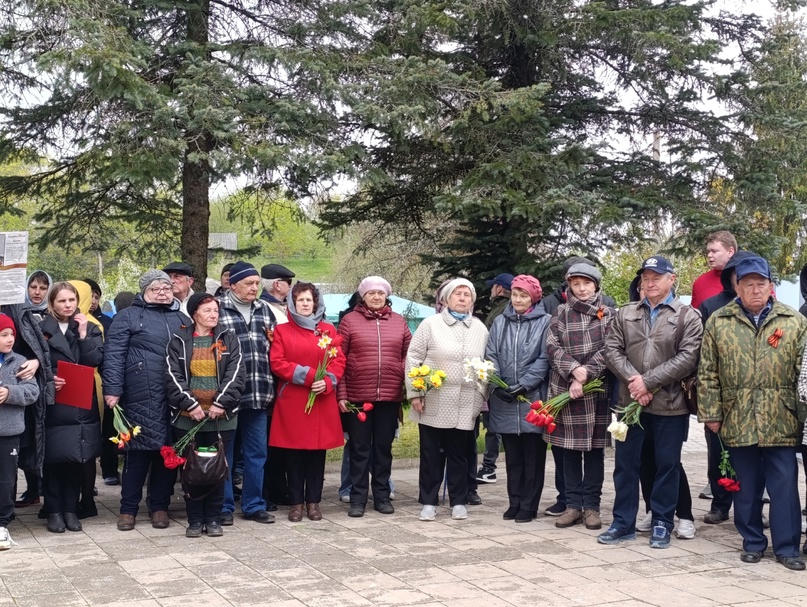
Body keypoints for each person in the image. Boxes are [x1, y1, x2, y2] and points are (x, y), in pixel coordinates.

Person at [702, 256, 807, 570]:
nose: (756, 290)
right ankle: (752, 542)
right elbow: (707, 373)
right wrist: (711, 413)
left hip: (782, 417)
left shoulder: (793, 321)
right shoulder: (719, 321)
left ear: (770, 286)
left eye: (761, 283)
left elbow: (803, 372)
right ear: (737, 286)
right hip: (739, 416)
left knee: (784, 485)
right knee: (746, 486)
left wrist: (802, 415)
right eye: (749, 284)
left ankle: (787, 547)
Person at [599, 255, 701, 548]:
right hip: (630, 405)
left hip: (670, 406)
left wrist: (649, 381)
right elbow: (611, 350)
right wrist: (636, 382)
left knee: (666, 466)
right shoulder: (625, 312)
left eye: (657, 277)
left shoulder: (687, 316)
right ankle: (622, 523)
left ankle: (662, 522)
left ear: (672, 279)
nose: (650, 282)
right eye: (646, 277)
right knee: (626, 465)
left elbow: (688, 358)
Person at [103, 269, 190, 531]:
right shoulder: (127, 316)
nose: (162, 292)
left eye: (166, 287)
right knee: (137, 454)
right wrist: (113, 389)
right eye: (155, 288)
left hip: (173, 397)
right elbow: (114, 355)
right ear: (144, 291)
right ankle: (128, 509)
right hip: (138, 394)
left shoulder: (182, 318)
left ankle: (159, 507)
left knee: (167, 453)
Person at [540, 256, 617, 517]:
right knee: (568, 451)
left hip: (595, 391)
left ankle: (592, 506)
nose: (582, 288)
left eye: (587, 283)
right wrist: (573, 370)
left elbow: (611, 349)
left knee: (595, 452)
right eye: (576, 283)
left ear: (596, 286)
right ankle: (572, 505)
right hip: (565, 389)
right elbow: (552, 346)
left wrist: (585, 375)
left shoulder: (609, 314)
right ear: (569, 287)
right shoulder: (560, 312)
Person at [407, 278, 488, 522]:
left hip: (466, 401)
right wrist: (415, 392)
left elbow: (487, 364)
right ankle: (429, 501)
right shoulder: (430, 324)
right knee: (431, 454)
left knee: (460, 454)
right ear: (446, 299)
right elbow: (413, 357)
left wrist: (481, 394)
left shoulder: (480, 328)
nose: (462, 298)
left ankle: (459, 500)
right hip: (434, 398)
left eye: (467, 294)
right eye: (457, 294)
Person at [166, 292, 245, 538]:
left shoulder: (228, 339)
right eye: (207, 310)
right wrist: (191, 405)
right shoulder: (178, 340)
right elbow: (172, 377)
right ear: (194, 314)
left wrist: (220, 403)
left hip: (220, 418)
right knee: (192, 472)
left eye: (215, 310)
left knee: (216, 470)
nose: (213, 315)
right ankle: (194, 519)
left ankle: (213, 518)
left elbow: (236, 374)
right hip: (188, 419)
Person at [269, 282, 346, 522]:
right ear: (292, 303)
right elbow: (278, 362)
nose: (305, 304)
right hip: (294, 399)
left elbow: (338, 360)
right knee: (294, 455)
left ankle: (314, 501)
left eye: (308, 300)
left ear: (316, 303)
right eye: (300, 300)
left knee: (316, 454)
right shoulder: (282, 331)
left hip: (320, 399)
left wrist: (328, 381)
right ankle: (295, 503)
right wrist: (311, 376)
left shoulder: (327, 331)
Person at [337, 276, 411, 517]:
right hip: (358, 399)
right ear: (363, 297)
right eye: (371, 293)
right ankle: (357, 498)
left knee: (383, 448)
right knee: (359, 449)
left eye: (380, 293)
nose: (376, 297)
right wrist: (343, 395)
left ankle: (381, 495)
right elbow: (340, 360)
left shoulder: (399, 322)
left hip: (389, 397)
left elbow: (409, 355)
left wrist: (400, 372)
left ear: (386, 296)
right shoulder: (349, 321)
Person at [697, 250, 757, 525]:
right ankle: (720, 503)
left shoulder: (761, 304)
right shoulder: (712, 306)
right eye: (737, 274)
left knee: (755, 457)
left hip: (755, 397)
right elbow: (704, 358)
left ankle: (753, 507)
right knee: (717, 453)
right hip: (722, 396)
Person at [39, 281, 104, 534]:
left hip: (80, 402)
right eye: (61, 301)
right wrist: (50, 377)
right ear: (52, 303)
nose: (67, 305)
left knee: (77, 458)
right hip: (55, 401)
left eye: (71, 300)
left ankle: (70, 510)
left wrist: (85, 334)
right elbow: (36, 362)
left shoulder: (90, 328)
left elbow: (95, 360)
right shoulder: (41, 329)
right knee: (54, 459)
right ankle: (54, 511)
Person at [486, 274, 550, 523]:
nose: (519, 299)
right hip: (505, 398)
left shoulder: (545, 322)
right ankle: (514, 501)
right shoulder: (500, 322)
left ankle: (529, 505)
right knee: (512, 456)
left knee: (533, 456)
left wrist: (524, 384)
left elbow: (545, 357)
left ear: (533, 297)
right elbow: (490, 353)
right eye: (515, 294)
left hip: (531, 398)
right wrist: (497, 382)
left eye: (524, 295)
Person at [216, 261, 276, 524]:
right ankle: (224, 506)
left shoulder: (265, 310)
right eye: (248, 283)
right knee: (224, 454)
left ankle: (253, 504)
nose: (254, 288)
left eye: (256, 283)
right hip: (226, 397)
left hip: (259, 393)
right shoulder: (216, 310)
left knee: (256, 453)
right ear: (232, 285)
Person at [10, 270, 53, 510]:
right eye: (33, 287)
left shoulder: (52, 314)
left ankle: (46, 490)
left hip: (46, 385)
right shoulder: (18, 313)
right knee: (28, 438)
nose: (37, 292)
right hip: (24, 384)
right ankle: (33, 489)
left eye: (42, 288)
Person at [0, 313, 40, 550]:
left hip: (9, 432)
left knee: (6, 480)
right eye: (4, 335)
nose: (9, 339)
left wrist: (9, 393)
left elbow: (31, 392)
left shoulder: (20, 361)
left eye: (11, 334)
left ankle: (3, 523)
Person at [475, 273, 513, 487]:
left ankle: (489, 468)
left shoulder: (499, 312)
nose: (490, 291)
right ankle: (489, 467)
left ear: (499, 289)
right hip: (503, 374)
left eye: (492, 287)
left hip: (496, 374)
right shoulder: (506, 310)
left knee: (494, 423)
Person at [690, 231, 737, 310]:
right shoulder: (700, 282)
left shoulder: (748, 278)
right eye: (708, 251)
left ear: (730, 252)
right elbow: (694, 318)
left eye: (714, 251)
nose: (709, 255)